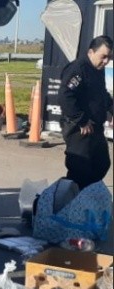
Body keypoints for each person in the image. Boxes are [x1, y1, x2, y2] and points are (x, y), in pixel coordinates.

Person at [58, 35, 113, 190]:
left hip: (96, 127)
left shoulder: (98, 69)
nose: (106, 61)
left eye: (109, 57)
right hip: (80, 128)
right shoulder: (78, 69)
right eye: (103, 56)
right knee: (79, 170)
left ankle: (87, 195)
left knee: (102, 164)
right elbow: (65, 95)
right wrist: (81, 120)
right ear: (91, 52)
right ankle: (68, 199)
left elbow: (102, 94)